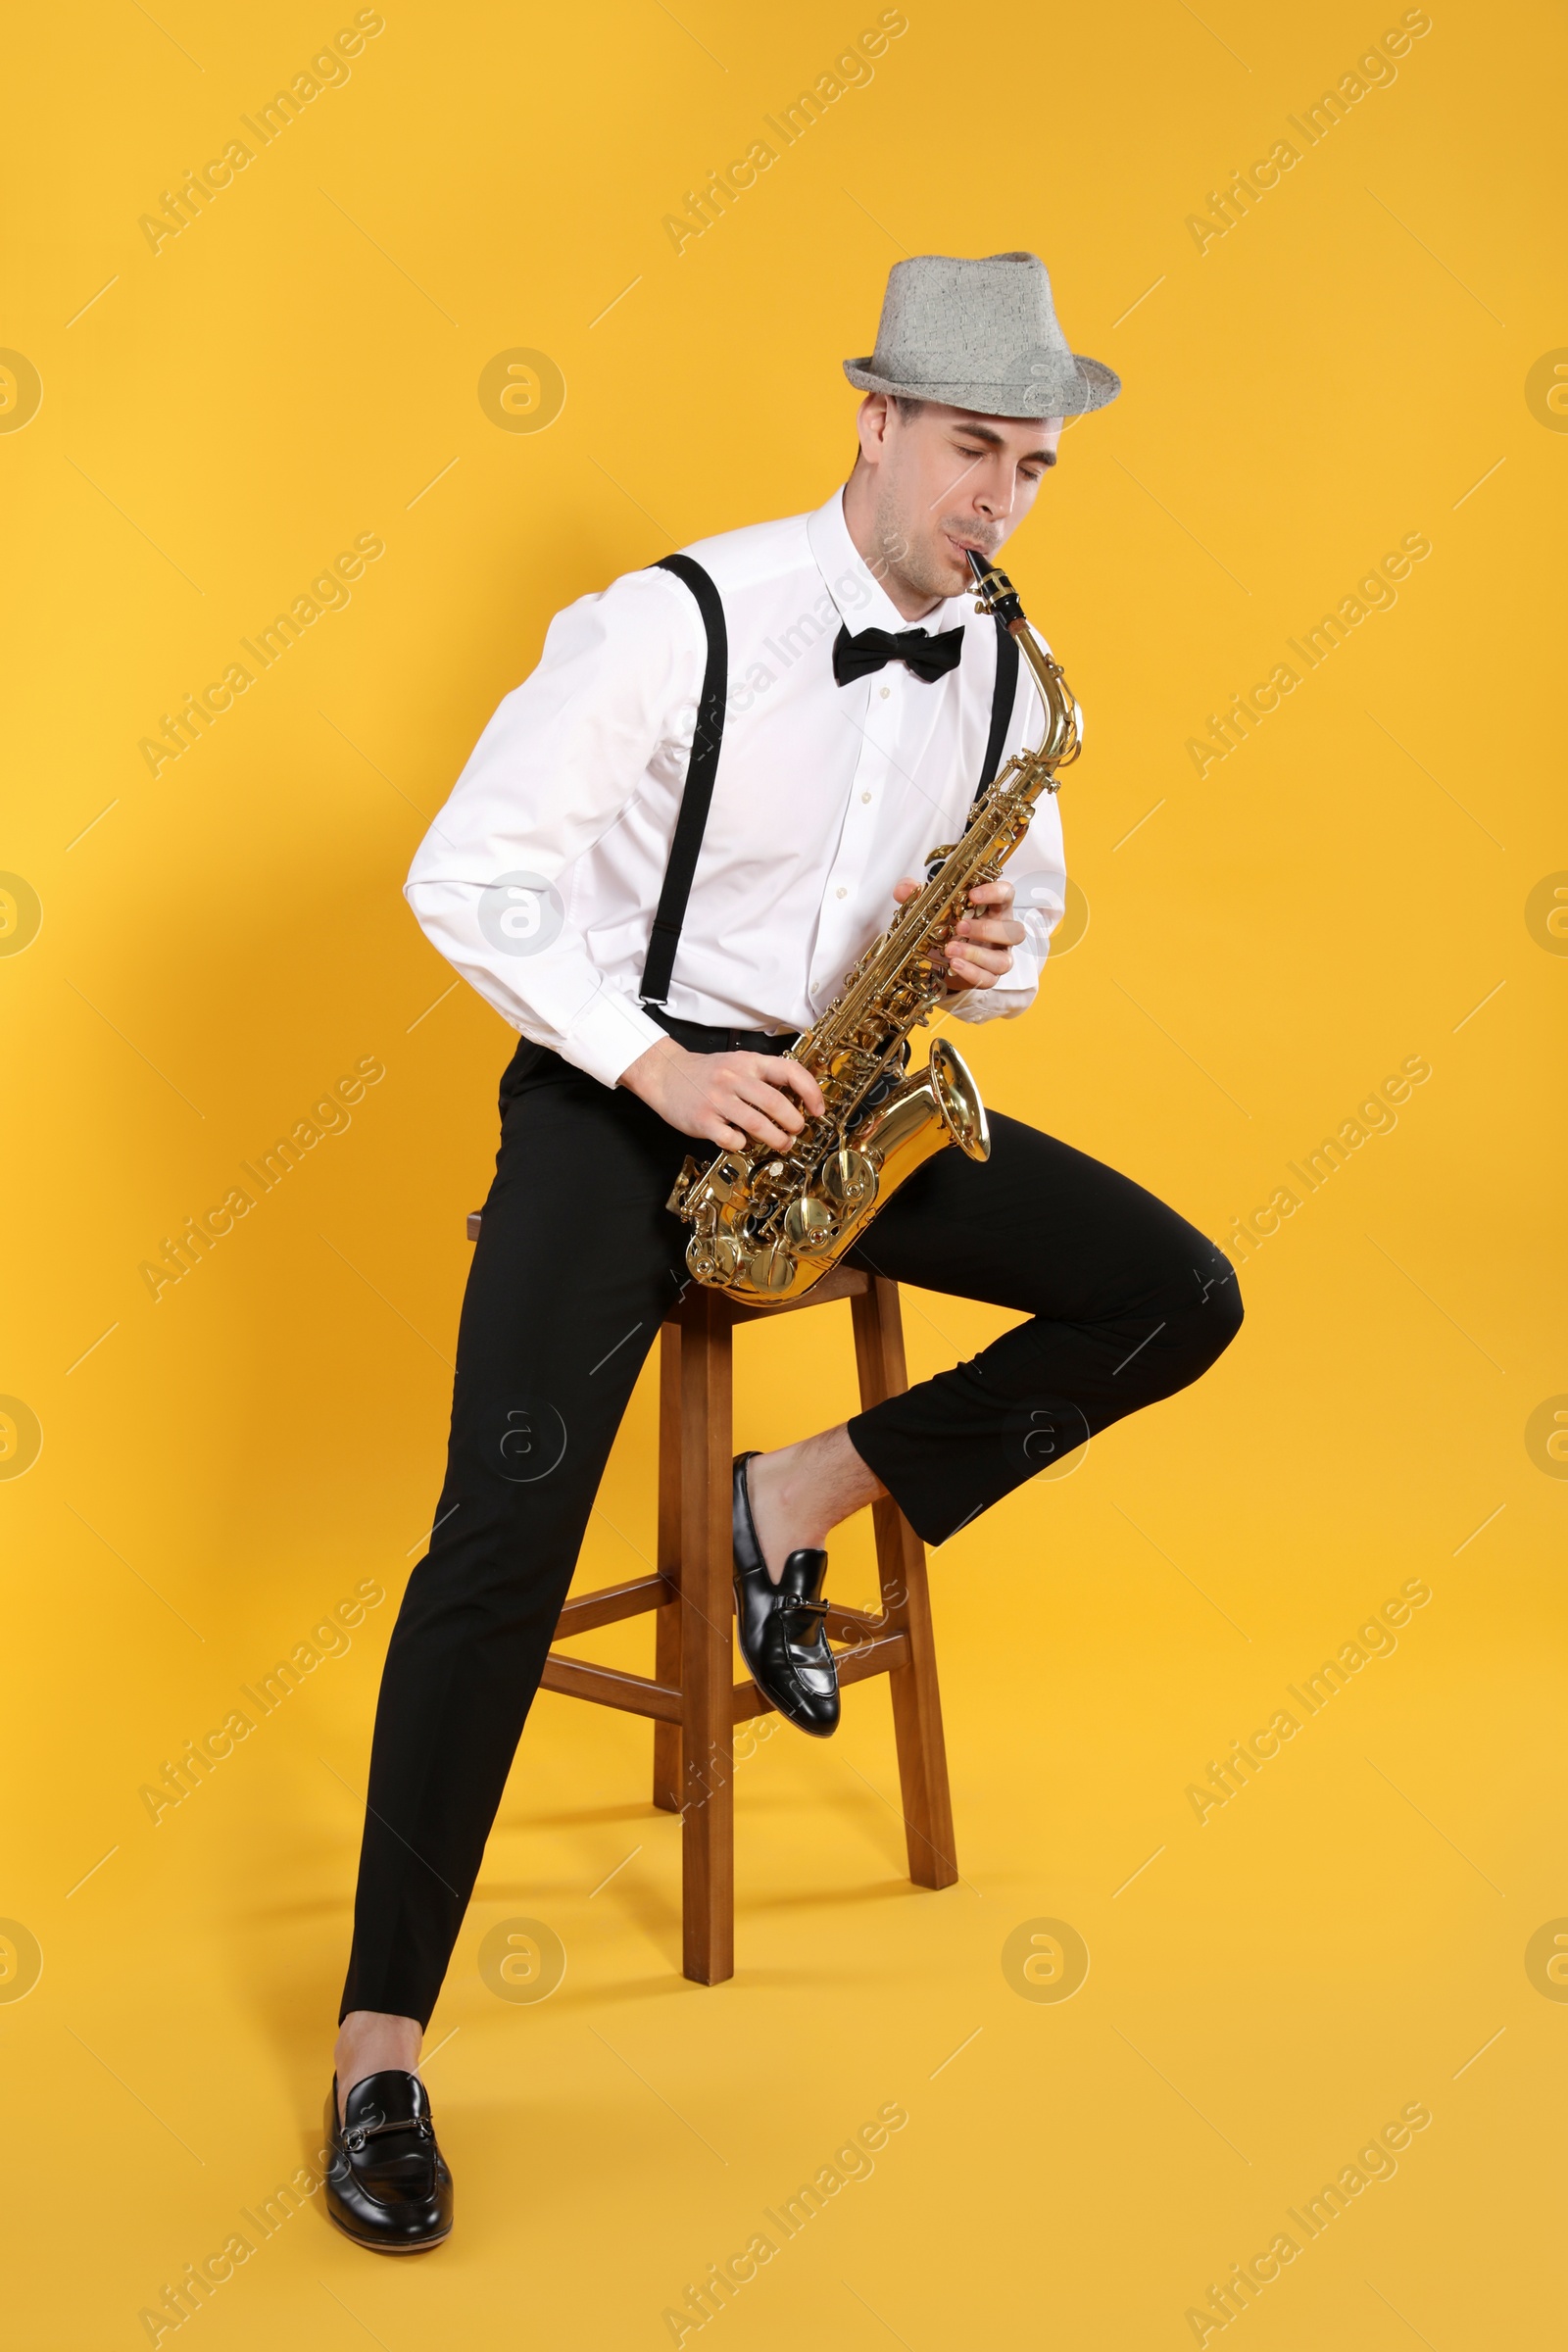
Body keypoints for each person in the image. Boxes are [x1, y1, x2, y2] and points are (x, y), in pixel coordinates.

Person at [323, 250, 1244, 2251]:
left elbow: (1019, 917)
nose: (995, 501)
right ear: (875, 422)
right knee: (500, 1548)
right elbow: (463, 873)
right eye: (970, 452)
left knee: (1177, 1291)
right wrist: (654, 1068)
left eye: (1030, 467)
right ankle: (380, 2046)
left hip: (839, 1099)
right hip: (617, 1097)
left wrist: (1001, 962)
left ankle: (781, 1507)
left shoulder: (1007, 663)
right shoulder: (675, 622)